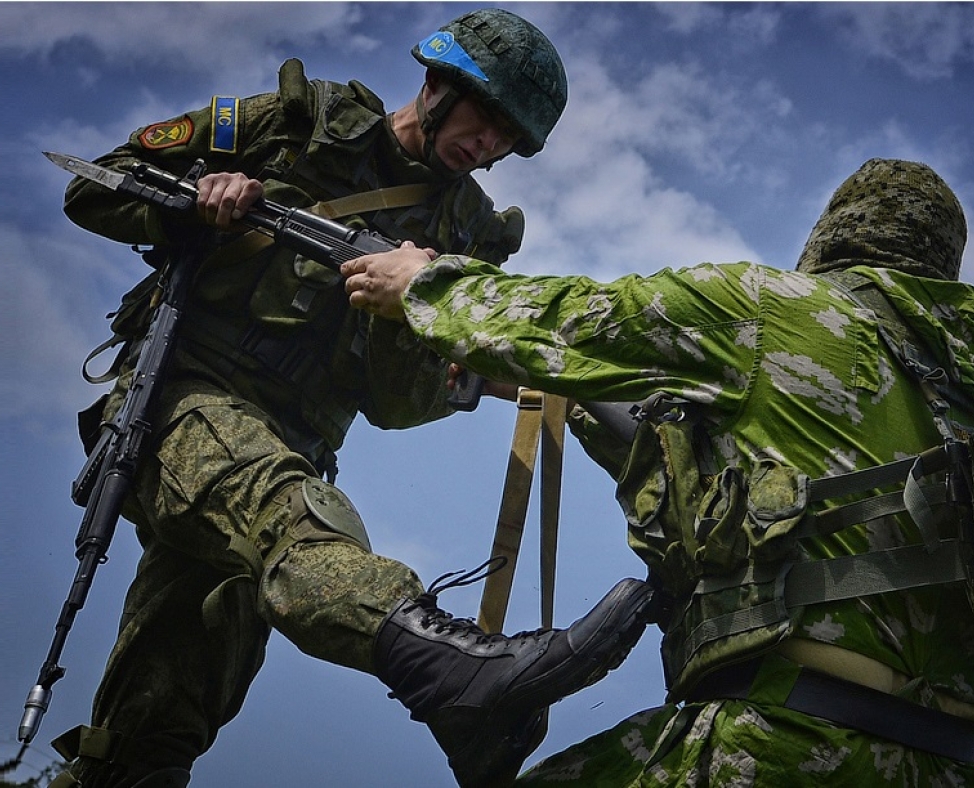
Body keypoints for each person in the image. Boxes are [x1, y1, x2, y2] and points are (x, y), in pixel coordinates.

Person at [49, 9, 655, 788]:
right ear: (438, 84)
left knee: (164, 719)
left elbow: (400, 406)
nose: (490, 145)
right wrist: (196, 198)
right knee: (294, 522)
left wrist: (411, 309)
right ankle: (445, 668)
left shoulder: (466, 236)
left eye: (510, 138)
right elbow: (91, 187)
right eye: (486, 117)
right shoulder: (295, 126)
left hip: (297, 440)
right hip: (179, 400)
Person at [341, 158, 974, 786]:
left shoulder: (774, 309)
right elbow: (703, 453)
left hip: (788, 736)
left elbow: (576, 321)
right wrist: (543, 391)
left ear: (833, 231)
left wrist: (426, 284)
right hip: (951, 762)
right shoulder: (968, 401)